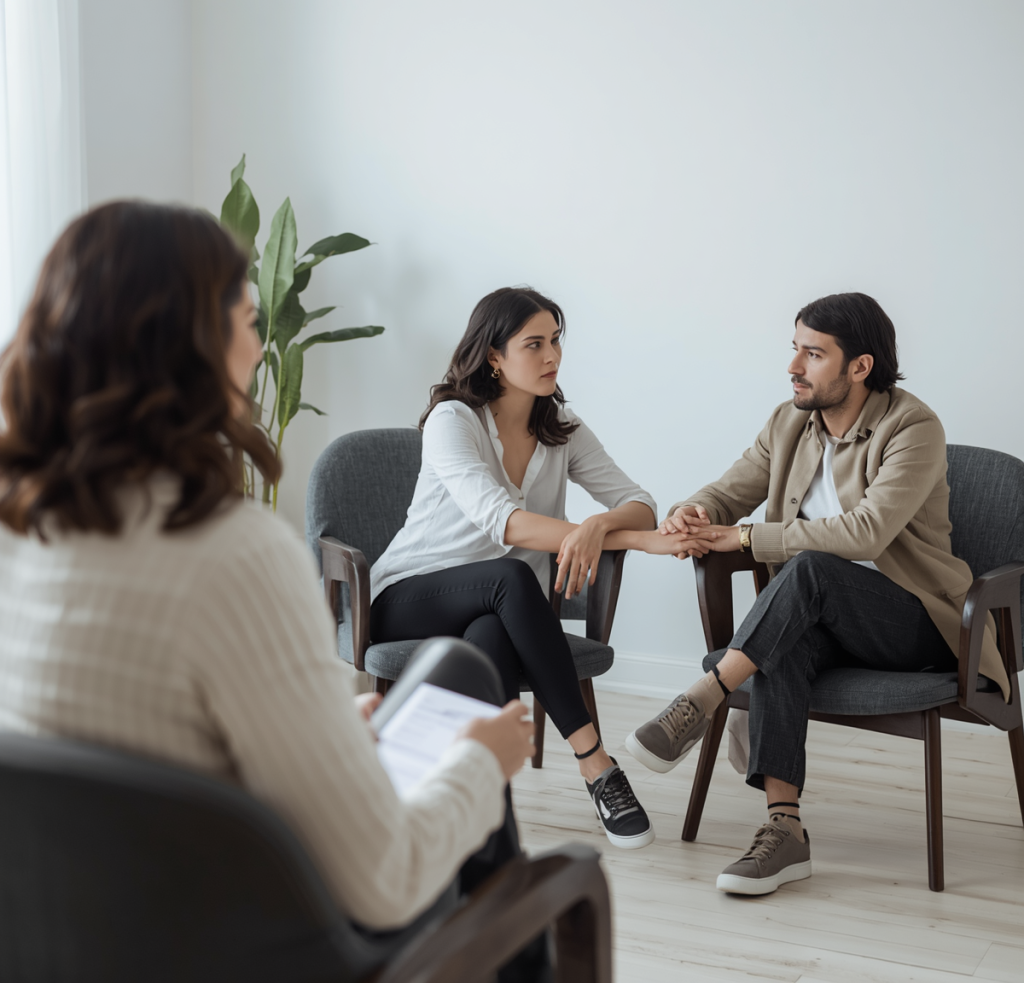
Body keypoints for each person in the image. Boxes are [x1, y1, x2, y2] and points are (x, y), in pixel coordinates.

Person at [0, 202, 543, 977]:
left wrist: (323, 731)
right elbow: (385, 882)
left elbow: (119, 763)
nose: (260, 348)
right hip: (258, 950)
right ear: (190, 343)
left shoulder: (20, 525)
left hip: (77, 935)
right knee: (474, 721)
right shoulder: (230, 551)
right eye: (247, 321)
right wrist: (479, 764)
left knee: (456, 669)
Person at [625, 292, 1010, 895]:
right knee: (784, 641)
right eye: (795, 349)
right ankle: (785, 831)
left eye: (813, 354)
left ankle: (703, 697)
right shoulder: (789, 422)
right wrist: (691, 514)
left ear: (860, 366)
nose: (793, 367)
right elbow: (728, 492)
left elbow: (866, 533)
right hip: (824, 617)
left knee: (810, 570)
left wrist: (745, 536)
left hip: (921, 622)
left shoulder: (913, 427)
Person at [370, 287, 708, 849]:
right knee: (511, 575)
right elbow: (503, 523)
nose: (552, 356)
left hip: (497, 610)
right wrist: (637, 541)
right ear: (494, 356)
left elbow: (638, 500)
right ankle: (597, 765)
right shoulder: (453, 420)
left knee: (490, 635)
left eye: (555, 341)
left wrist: (600, 526)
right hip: (409, 597)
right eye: (534, 344)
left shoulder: (561, 427)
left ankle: (488, 815)